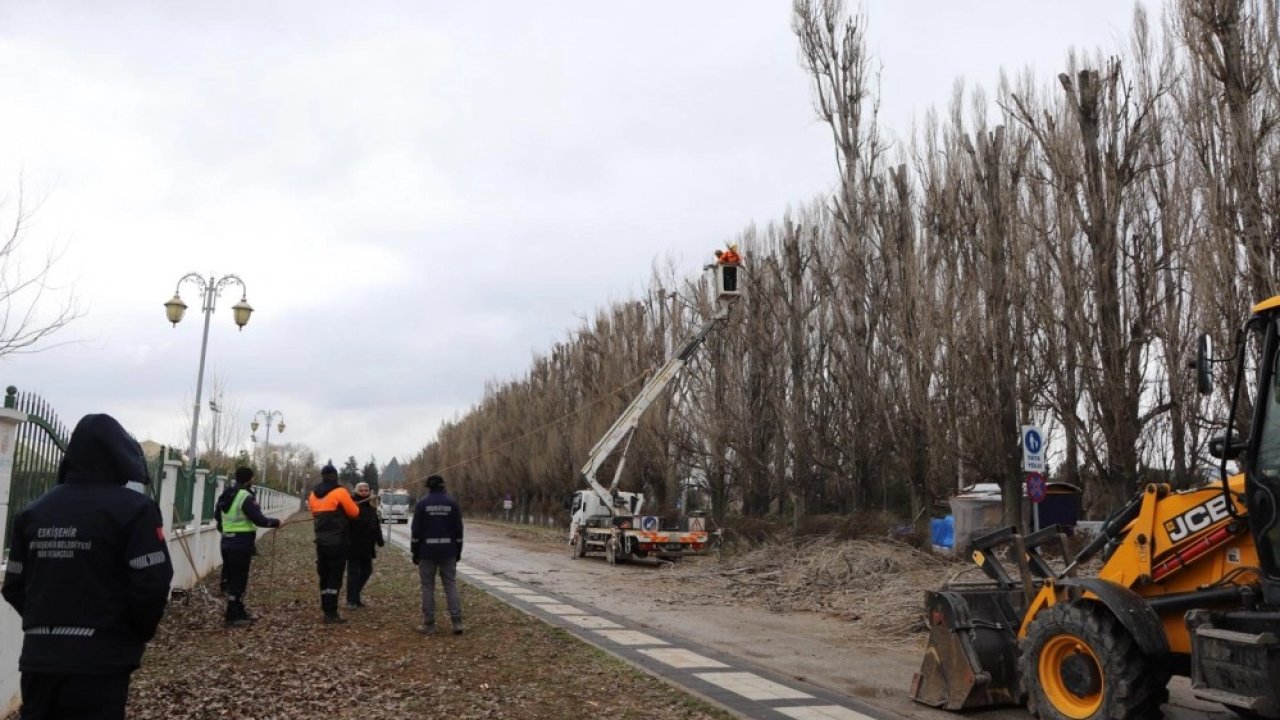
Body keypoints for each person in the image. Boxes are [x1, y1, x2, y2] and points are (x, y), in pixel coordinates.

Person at [1, 413, 173, 720]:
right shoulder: (135, 510)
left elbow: (14, 584)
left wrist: (50, 624)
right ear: (119, 457)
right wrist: (129, 633)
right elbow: (152, 584)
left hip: (39, 662)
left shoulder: (32, 513)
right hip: (100, 666)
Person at [213, 466, 281, 627]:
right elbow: (259, 519)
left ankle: (239, 610)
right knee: (239, 580)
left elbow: (217, 516)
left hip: (226, 542)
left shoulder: (226, 494)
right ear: (250, 479)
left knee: (232, 578)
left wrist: (225, 530)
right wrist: (275, 522)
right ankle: (232, 616)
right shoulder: (245, 496)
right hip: (241, 543)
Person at [410, 474, 464, 635]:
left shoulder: (422, 504)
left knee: (428, 587)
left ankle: (429, 624)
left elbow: (416, 531)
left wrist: (415, 551)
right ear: (443, 486)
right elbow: (459, 530)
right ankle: (457, 622)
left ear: (428, 487)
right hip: (449, 551)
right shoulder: (452, 503)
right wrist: (458, 550)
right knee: (450, 585)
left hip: (427, 552)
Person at [308, 462, 359, 623]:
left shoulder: (313, 494)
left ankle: (326, 608)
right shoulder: (340, 492)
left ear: (322, 476)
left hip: (321, 541)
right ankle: (331, 612)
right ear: (335, 476)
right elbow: (354, 513)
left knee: (324, 575)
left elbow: (315, 512)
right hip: (338, 542)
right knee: (334, 577)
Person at [345, 481, 384, 609]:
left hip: (367, 546)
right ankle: (351, 600)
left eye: (366, 490)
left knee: (367, 571)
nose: (364, 492)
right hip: (354, 545)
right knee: (353, 573)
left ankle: (355, 595)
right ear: (356, 491)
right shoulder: (352, 505)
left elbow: (375, 524)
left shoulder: (371, 507)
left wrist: (379, 539)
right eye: (361, 490)